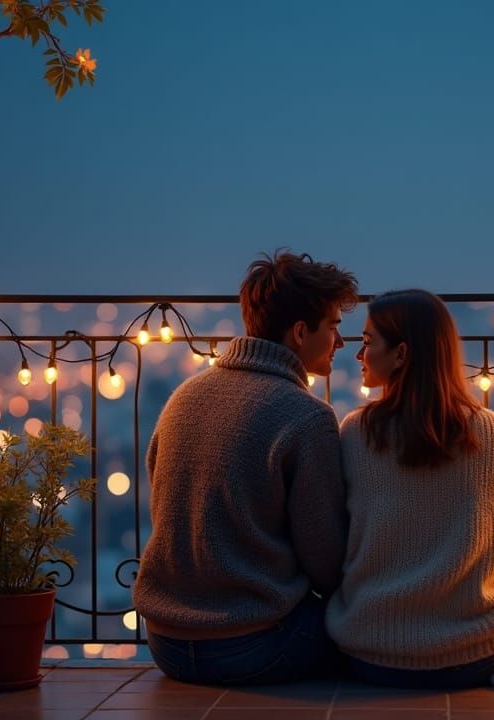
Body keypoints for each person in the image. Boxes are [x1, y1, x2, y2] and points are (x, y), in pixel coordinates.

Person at [133, 250, 359, 686]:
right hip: (251, 645)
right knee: (375, 633)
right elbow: (326, 561)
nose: (340, 342)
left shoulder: (183, 398)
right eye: (333, 327)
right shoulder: (306, 416)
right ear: (300, 332)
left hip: (166, 643)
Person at [325, 289, 494, 689]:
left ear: (401, 354)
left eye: (368, 342)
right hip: (472, 655)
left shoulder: (355, 431)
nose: (359, 354)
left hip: (370, 653)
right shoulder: (491, 432)